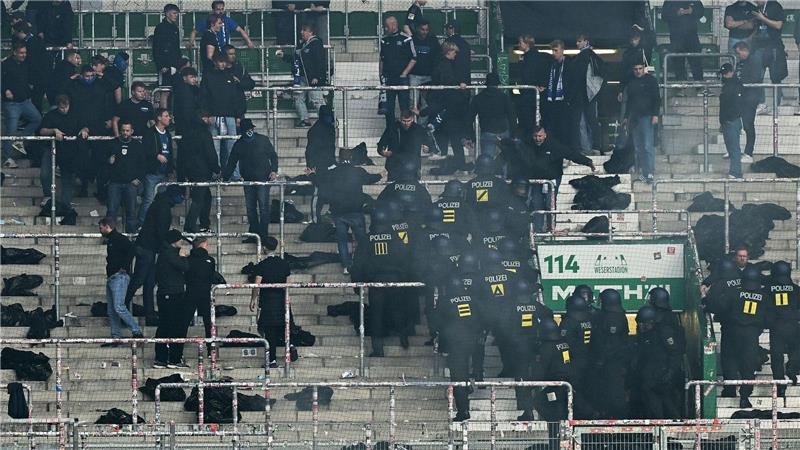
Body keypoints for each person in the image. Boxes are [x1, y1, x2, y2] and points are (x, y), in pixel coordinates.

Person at [502, 126, 595, 232]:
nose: (538, 139)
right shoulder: (528, 144)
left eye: (540, 136)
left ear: (545, 135)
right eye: (535, 136)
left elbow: (571, 154)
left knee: (549, 204)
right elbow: (513, 145)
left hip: (552, 180)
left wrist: (587, 162)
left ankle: (551, 228)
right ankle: (537, 230)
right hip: (536, 179)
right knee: (537, 203)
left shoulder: (554, 146)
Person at [350, 205, 413, 356]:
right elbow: (405, 259)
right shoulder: (396, 238)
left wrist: (357, 283)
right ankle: (403, 337)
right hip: (395, 280)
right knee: (398, 310)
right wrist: (404, 278)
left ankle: (378, 349)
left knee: (376, 315)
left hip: (376, 282)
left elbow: (358, 264)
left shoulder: (366, 240)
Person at [125, 185, 185, 325]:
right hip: (147, 248)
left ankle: (150, 315)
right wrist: (167, 247)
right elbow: (159, 231)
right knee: (139, 280)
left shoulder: (160, 203)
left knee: (149, 282)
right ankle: (122, 305)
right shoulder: (163, 207)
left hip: (148, 248)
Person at [708, 265, 766, 408]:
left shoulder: (733, 293)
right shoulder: (764, 296)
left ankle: (730, 389)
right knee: (748, 365)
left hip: (732, 332)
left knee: (729, 361)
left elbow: (719, 308)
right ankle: (745, 396)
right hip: (751, 335)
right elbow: (767, 317)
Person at [316, 147, 382, 271]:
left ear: (339, 158)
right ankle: (362, 262)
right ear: (351, 157)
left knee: (342, 241)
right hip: (355, 210)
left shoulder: (333, 172)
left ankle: (346, 265)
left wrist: (312, 175)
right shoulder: (357, 171)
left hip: (338, 212)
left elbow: (320, 182)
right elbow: (371, 179)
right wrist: (381, 174)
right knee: (361, 239)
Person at [223, 119, 279, 242]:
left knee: (263, 207)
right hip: (249, 180)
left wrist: (274, 171)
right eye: (247, 130)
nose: (250, 132)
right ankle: (255, 234)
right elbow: (231, 163)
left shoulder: (262, 140)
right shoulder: (239, 144)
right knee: (251, 208)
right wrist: (225, 178)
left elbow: (273, 156)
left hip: (263, 179)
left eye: (251, 129)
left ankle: (262, 235)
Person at [65, 64, 112, 198]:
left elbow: (114, 85)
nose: (90, 78)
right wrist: (72, 78)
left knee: (100, 159)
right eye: (87, 76)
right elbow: (61, 89)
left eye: (92, 76)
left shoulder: (100, 85)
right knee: (82, 159)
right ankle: (83, 187)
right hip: (79, 127)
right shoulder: (74, 87)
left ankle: (100, 190)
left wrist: (101, 75)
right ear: (81, 76)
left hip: (98, 126)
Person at [438, 275, 479, 422]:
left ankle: (463, 410)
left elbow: (441, 326)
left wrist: (442, 346)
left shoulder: (445, 301)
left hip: (455, 343)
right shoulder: (472, 299)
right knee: (463, 372)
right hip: (472, 342)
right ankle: (472, 379)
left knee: (457, 377)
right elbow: (480, 317)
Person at [633, 304, 682, 418]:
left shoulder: (663, 333)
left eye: (642, 323)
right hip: (649, 378)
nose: (640, 326)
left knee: (668, 405)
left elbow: (675, 353)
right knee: (652, 407)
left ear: (650, 322)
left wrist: (670, 373)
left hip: (663, 377)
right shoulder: (643, 336)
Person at [99, 217, 143, 343]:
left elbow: (132, 249)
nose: (100, 230)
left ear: (107, 226)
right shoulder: (112, 240)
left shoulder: (119, 238)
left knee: (118, 307)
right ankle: (116, 336)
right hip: (112, 277)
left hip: (119, 277)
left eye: (101, 227)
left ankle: (136, 330)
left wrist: (124, 267)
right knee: (111, 310)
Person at [200, 52, 244, 179]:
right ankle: (216, 174)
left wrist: (238, 116)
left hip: (230, 116)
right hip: (213, 116)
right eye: (220, 61)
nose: (223, 64)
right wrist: (206, 115)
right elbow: (203, 97)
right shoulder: (208, 76)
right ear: (214, 62)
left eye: (224, 62)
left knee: (232, 147)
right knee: (214, 148)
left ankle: (235, 175)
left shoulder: (230, 76)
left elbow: (235, 98)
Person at [251, 237, 293, 367]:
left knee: (270, 332)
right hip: (282, 300)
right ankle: (290, 346)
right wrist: (287, 298)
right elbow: (288, 283)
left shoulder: (261, 265)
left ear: (264, 248)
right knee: (285, 327)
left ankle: (272, 360)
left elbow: (257, 284)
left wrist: (253, 299)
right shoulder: (284, 264)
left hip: (268, 302)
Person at [153, 229, 191, 369]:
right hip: (172, 294)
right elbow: (185, 267)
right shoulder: (170, 254)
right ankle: (172, 359)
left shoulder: (164, 253)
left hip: (167, 293)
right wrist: (182, 256)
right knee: (173, 326)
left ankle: (162, 358)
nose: (182, 242)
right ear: (174, 241)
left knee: (165, 325)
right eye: (180, 240)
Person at [429, 42, 470, 171]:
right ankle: (458, 164)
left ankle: (445, 165)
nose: (456, 54)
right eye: (454, 52)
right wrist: (459, 85)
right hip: (448, 108)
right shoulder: (445, 66)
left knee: (445, 139)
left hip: (444, 107)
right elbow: (447, 82)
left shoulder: (442, 64)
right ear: (448, 52)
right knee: (454, 139)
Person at [532, 318, 572, 449]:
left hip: (555, 387)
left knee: (540, 403)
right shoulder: (564, 343)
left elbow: (541, 369)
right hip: (567, 384)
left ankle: (556, 445)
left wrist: (532, 381)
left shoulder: (547, 347)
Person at [591, 289, 631, 419]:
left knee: (614, 393)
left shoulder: (613, 318)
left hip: (612, 362)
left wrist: (601, 360)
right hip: (610, 362)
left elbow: (611, 344)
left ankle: (617, 419)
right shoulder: (611, 315)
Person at [1, 42, 42, 168]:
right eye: (21, 53)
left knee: (38, 119)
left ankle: (20, 140)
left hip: (25, 101)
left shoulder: (27, 63)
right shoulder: (5, 65)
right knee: (11, 129)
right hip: (11, 104)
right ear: (14, 52)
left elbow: (32, 76)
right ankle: (7, 158)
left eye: (25, 53)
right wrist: (5, 91)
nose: (24, 55)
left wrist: (30, 88)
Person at [38, 95, 82, 207]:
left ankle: (65, 202)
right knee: (45, 173)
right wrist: (54, 130)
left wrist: (85, 130)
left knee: (68, 176)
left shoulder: (75, 114)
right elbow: (42, 131)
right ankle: (48, 196)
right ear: (57, 106)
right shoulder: (50, 115)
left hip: (69, 150)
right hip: (51, 148)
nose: (64, 109)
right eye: (62, 107)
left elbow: (84, 126)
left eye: (66, 106)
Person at [177, 119, 220, 234]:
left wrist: (181, 174)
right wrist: (216, 169)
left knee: (206, 197)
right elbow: (210, 153)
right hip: (202, 171)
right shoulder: (205, 134)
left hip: (190, 171)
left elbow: (181, 156)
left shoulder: (186, 135)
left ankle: (204, 224)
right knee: (199, 200)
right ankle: (190, 226)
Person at [765, 261, 800, 396]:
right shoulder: (796, 289)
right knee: (797, 349)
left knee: (777, 357)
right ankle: (792, 367)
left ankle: (780, 385)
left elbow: (764, 308)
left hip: (776, 327)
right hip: (793, 325)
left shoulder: (767, 289)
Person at [624, 58, 660, 183]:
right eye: (635, 69)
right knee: (638, 147)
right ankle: (643, 172)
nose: (638, 71)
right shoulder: (631, 82)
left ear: (644, 68)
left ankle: (649, 172)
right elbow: (629, 101)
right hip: (634, 118)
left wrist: (655, 114)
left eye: (640, 68)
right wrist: (626, 117)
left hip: (647, 116)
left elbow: (657, 98)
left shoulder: (651, 80)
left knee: (647, 145)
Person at [186, 237, 225, 350]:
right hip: (205, 293)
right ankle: (210, 349)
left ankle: (177, 352)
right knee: (209, 323)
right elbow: (211, 275)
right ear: (203, 245)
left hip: (190, 293)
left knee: (184, 323)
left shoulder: (188, 259)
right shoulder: (210, 260)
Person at [138, 108, 174, 228]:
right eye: (166, 115)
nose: (169, 118)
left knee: (162, 201)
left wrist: (170, 168)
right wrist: (156, 155)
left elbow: (170, 151)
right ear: (159, 118)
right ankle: (142, 225)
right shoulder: (150, 133)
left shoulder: (168, 133)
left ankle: (160, 224)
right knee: (148, 200)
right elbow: (144, 151)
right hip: (152, 173)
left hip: (164, 174)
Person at [106, 120, 144, 233]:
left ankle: (131, 236)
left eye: (127, 130)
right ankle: (109, 235)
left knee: (131, 211)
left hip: (131, 183)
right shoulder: (113, 143)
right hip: (115, 182)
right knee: (112, 210)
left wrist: (139, 179)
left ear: (132, 131)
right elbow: (103, 162)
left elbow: (143, 164)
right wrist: (109, 160)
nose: (125, 133)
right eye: (123, 130)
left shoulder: (137, 145)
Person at [379, 16, 417, 126]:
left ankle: (405, 131)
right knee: (387, 109)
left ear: (393, 25)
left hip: (402, 79)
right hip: (388, 79)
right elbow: (381, 59)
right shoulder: (384, 40)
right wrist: (380, 75)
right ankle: (391, 134)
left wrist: (404, 73)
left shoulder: (406, 39)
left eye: (386, 26)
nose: (385, 29)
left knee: (404, 107)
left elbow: (414, 58)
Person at [469, 72, 516, 158]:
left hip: (487, 132)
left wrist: (471, 136)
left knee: (487, 162)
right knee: (507, 159)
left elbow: (469, 118)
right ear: (498, 84)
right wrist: (513, 134)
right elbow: (512, 116)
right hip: (503, 131)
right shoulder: (504, 97)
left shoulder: (478, 98)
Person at [571, 33, 605, 154]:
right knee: (591, 121)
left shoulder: (583, 57)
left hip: (583, 95)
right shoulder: (593, 57)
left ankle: (587, 147)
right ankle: (594, 147)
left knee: (583, 122)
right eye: (577, 41)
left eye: (580, 41)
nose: (577, 43)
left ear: (586, 41)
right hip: (589, 95)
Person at [750, 0, 786, 107]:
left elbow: (779, 25)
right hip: (758, 47)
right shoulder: (757, 8)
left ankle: (777, 104)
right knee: (757, 76)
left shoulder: (775, 6)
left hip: (773, 46)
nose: (755, 1)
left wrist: (763, 18)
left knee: (776, 76)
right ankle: (761, 103)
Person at [377, 109, 431, 180]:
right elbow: (381, 145)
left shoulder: (419, 129)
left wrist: (427, 148)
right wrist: (383, 152)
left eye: (408, 121)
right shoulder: (392, 128)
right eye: (404, 121)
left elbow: (429, 144)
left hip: (412, 166)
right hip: (395, 166)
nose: (406, 123)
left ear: (412, 119)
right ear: (400, 119)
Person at [292, 23, 327, 128]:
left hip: (312, 78)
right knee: (298, 98)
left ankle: (326, 120)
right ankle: (305, 119)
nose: (301, 32)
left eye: (304, 30)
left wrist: (317, 76)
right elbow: (296, 59)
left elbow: (320, 61)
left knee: (317, 100)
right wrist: (284, 56)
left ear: (311, 32)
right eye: (301, 30)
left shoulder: (316, 43)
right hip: (301, 78)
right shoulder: (303, 44)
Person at [661, 1, 705, 85]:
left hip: (692, 37)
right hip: (676, 38)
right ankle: (681, 88)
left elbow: (701, 11)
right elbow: (664, 16)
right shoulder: (669, 2)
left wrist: (691, 11)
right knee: (678, 63)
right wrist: (676, 13)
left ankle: (700, 86)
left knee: (696, 62)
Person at [515, 34, 550, 138]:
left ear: (527, 44)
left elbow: (528, 75)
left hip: (530, 95)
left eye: (520, 42)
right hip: (531, 93)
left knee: (529, 120)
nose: (519, 45)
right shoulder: (536, 57)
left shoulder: (531, 58)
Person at [542, 40, 575, 150]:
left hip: (564, 101)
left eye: (556, 50)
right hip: (553, 101)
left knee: (564, 128)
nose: (554, 53)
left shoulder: (570, 64)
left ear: (562, 50)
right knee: (553, 126)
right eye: (552, 51)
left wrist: (569, 99)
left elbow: (572, 83)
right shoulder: (551, 65)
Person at [11, 22, 48, 112]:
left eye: (15, 32)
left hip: (37, 78)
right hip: (41, 76)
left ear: (21, 31)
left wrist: (31, 80)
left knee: (36, 101)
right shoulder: (35, 40)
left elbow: (33, 63)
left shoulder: (31, 43)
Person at [189, 1, 254, 49]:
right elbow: (194, 32)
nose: (221, 11)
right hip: (211, 50)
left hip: (224, 50)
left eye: (222, 9)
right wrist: (191, 43)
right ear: (213, 10)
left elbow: (240, 30)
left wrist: (249, 42)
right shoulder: (207, 20)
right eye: (218, 9)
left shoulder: (227, 20)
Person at [734, 41, 760, 163]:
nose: (739, 56)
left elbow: (755, 78)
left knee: (748, 125)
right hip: (741, 97)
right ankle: (734, 150)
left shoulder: (754, 61)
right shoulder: (741, 63)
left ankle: (749, 152)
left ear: (744, 50)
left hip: (750, 98)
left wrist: (741, 82)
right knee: (737, 124)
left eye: (739, 53)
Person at [152, 3, 181, 108]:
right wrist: (161, 65)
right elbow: (156, 48)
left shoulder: (175, 28)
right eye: (174, 13)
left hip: (175, 64)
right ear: (167, 14)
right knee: (165, 91)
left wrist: (179, 63)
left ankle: (172, 116)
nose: (176, 15)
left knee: (176, 90)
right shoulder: (160, 28)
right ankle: (163, 113)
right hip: (165, 65)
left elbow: (176, 48)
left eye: (176, 13)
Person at [718, 63, 744, 178]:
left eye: (726, 73)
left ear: (731, 72)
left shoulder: (735, 84)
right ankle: (735, 171)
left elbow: (734, 105)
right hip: (727, 120)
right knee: (731, 147)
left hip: (732, 120)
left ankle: (735, 172)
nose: (724, 75)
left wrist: (729, 118)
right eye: (723, 73)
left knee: (734, 148)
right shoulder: (727, 85)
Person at [409, 18, 440, 110]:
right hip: (414, 75)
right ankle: (412, 123)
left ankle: (422, 124)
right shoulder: (411, 40)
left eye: (426, 30)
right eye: (422, 29)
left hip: (428, 76)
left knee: (426, 103)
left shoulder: (433, 40)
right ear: (418, 29)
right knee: (412, 101)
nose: (424, 32)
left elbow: (438, 56)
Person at [223, 45, 256, 120]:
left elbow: (251, 84)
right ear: (224, 55)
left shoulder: (239, 68)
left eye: (234, 54)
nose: (233, 56)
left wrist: (239, 82)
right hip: (223, 109)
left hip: (238, 109)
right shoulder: (219, 69)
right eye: (230, 54)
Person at [172, 67, 201, 134]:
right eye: (191, 77)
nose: (194, 79)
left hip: (187, 122)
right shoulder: (183, 90)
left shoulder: (194, 89)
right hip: (185, 122)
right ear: (184, 78)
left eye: (195, 77)